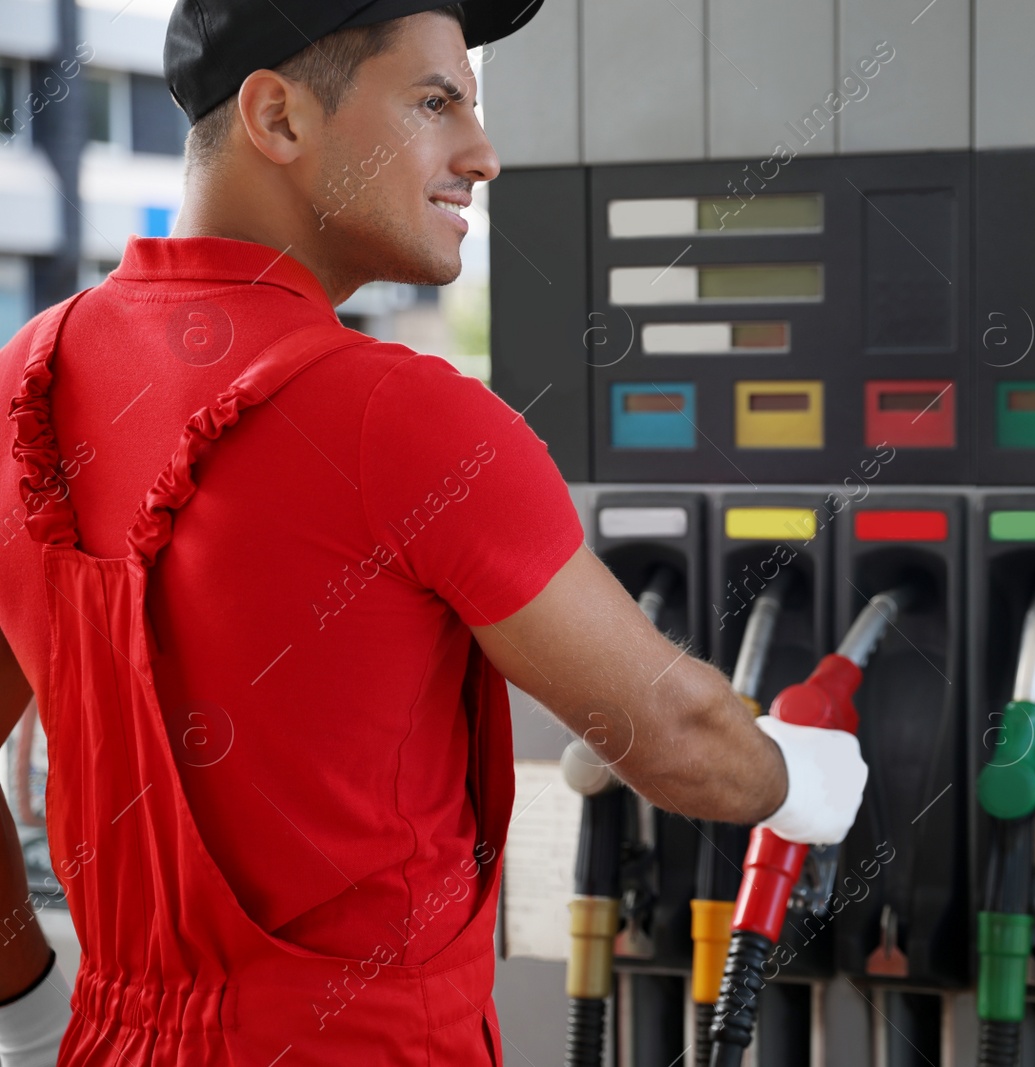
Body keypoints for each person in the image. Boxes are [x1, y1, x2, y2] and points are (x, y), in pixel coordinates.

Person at [0, 1, 868, 1062]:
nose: (482, 153)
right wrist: (807, 776)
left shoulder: (25, 388)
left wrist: (33, 1012)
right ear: (277, 116)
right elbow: (680, 735)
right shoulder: (400, 416)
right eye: (434, 102)